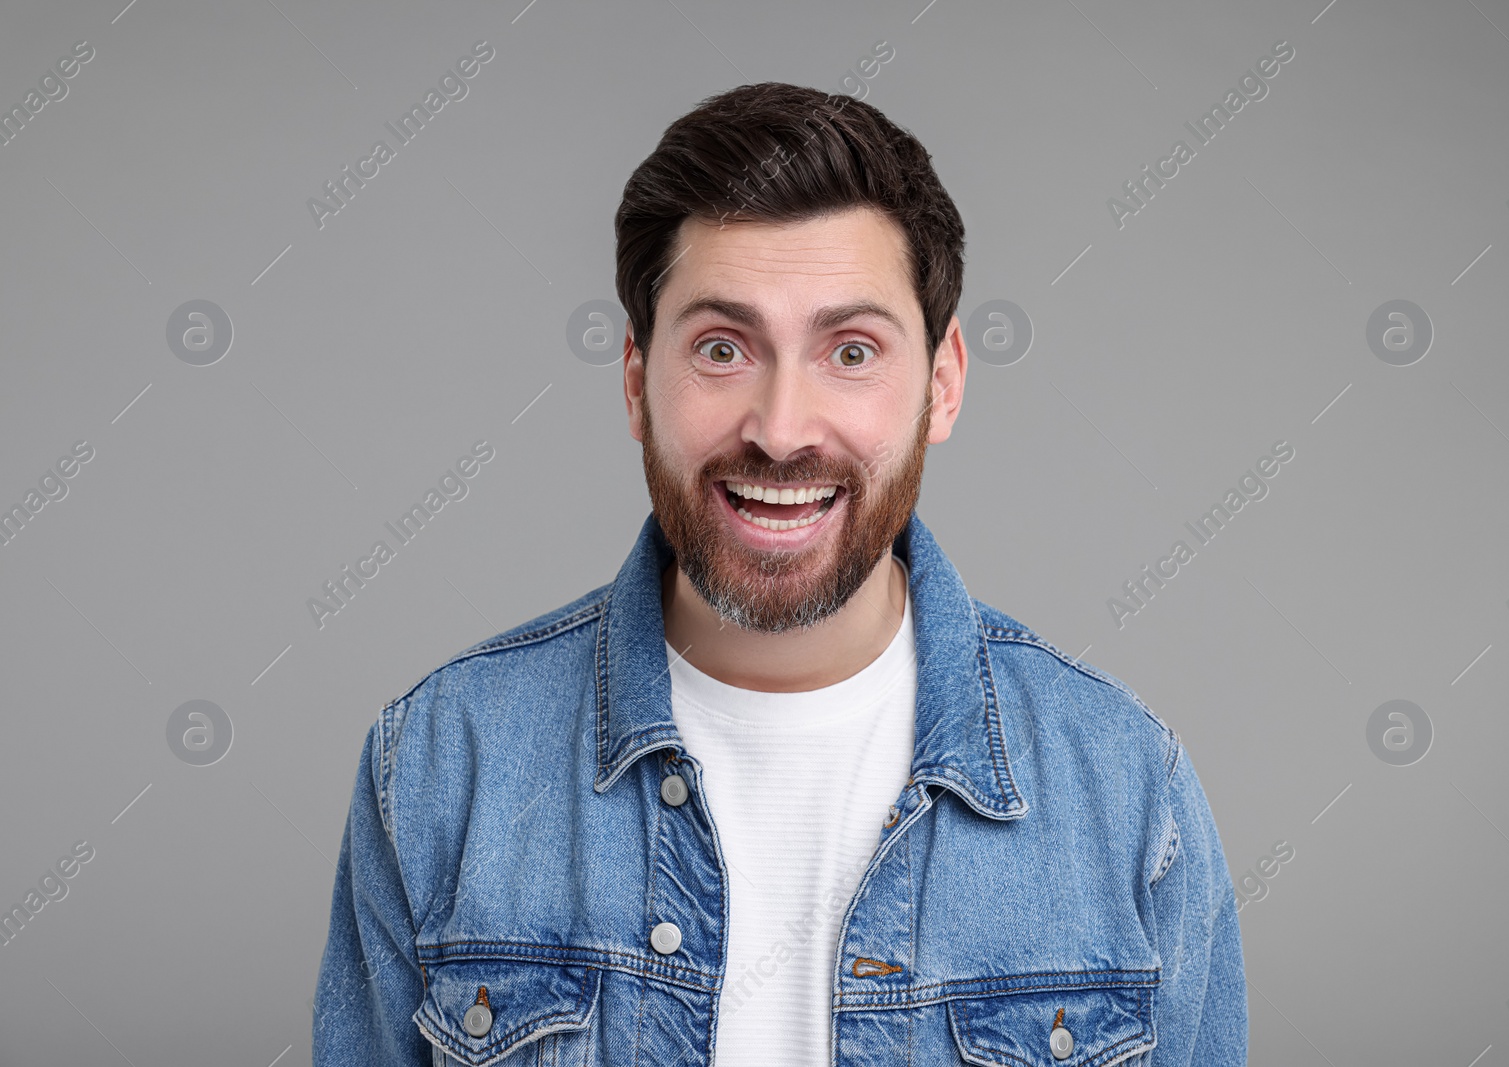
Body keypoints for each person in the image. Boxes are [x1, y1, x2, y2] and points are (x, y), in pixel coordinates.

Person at [314, 80, 1246, 1066]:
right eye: (722, 347)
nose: (782, 426)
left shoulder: (1128, 785)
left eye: (851, 350)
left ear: (942, 383)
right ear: (636, 380)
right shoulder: (439, 765)